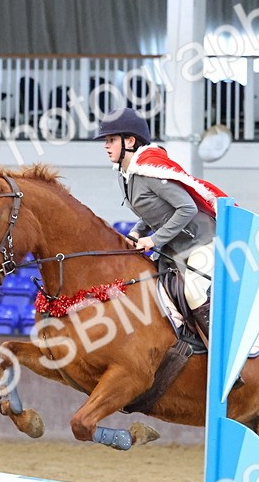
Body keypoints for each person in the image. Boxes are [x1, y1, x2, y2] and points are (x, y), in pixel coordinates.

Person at [95, 107, 227, 343]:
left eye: (111, 140)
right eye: (106, 140)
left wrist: (154, 239)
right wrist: (137, 232)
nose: (106, 146)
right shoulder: (126, 175)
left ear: (130, 141)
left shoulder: (150, 172)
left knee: (193, 291)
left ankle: (220, 349)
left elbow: (187, 208)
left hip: (204, 242)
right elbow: (154, 212)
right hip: (175, 248)